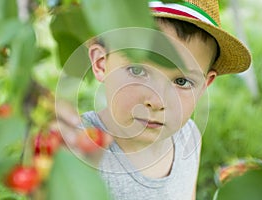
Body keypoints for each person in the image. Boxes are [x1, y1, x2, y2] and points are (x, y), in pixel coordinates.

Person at [56, 0, 251, 199]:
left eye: (182, 81)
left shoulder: (189, 137)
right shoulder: (78, 150)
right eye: (138, 70)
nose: (157, 101)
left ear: (204, 86)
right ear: (101, 63)